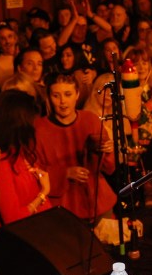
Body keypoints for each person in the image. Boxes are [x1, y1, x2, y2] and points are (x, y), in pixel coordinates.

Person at [35, 72, 116, 222]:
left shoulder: (90, 120)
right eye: (56, 96)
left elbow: (109, 168)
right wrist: (64, 173)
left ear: (77, 94)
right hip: (63, 206)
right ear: (49, 97)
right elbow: (34, 171)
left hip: (97, 200)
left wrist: (108, 151)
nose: (62, 102)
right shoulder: (39, 129)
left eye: (68, 94)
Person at [0, 90, 52, 231]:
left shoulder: (21, 152)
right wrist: (43, 193)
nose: (35, 125)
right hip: (20, 237)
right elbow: (13, 218)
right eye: (32, 120)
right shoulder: (1, 163)